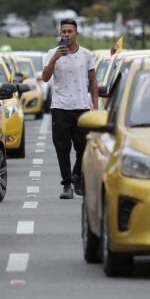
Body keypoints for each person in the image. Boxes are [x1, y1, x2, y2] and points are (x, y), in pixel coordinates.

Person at [42, 18, 97, 199]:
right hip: (60, 107)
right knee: (62, 148)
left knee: (83, 146)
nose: (66, 34)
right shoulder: (51, 53)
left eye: (70, 31)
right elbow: (45, 78)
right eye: (63, 31)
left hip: (81, 107)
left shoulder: (87, 55)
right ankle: (67, 185)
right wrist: (55, 58)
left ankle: (77, 174)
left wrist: (95, 106)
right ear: (60, 34)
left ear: (76, 33)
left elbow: (93, 81)